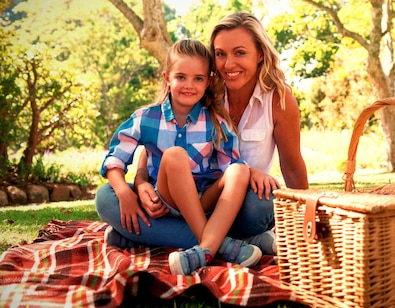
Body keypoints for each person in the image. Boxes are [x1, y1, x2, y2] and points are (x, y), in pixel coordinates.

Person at [95, 12, 308, 266]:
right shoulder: (206, 92)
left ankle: (143, 236)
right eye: (220, 54)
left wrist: (307, 216)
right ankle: (228, 244)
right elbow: (154, 143)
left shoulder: (276, 99)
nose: (229, 64)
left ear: (260, 53)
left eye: (239, 52)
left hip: (231, 201)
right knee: (107, 199)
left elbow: (290, 165)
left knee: (264, 203)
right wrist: (140, 183)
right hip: (169, 195)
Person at [99, 38, 261, 275]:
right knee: (108, 196)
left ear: (208, 82)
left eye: (198, 78)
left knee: (239, 170)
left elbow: (231, 168)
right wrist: (124, 192)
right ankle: (220, 244)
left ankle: (196, 248)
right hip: (163, 201)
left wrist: (246, 171)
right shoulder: (146, 118)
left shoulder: (216, 122)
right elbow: (115, 158)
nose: (189, 85)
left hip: (204, 200)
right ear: (167, 78)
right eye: (181, 77)